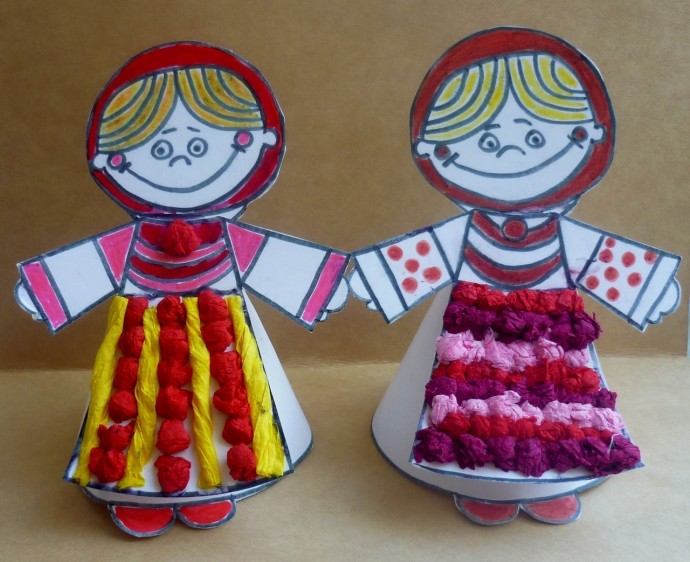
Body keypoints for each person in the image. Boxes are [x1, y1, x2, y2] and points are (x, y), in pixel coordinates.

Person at [15, 42, 348, 537]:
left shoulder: (226, 237)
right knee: (136, 406)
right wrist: (46, 290)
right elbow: (95, 261)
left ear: (257, 143)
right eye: (156, 149)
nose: (178, 161)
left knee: (225, 405)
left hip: (221, 336)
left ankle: (215, 485)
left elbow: (267, 257)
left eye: (200, 146)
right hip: (142, 340)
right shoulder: (133, 241)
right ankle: (137, 489)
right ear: (112, 161)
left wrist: (322, 284)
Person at [350, 28, 680, 525]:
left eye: (535, 137)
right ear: (435, 151)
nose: (510, 153)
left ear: (590, 136)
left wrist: (645, 287)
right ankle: (476, 478)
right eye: (485, 140)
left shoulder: (561, 235)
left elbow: (597, 256)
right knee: (470, 409)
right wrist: (381, 278)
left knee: (562, 407)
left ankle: (552, 477)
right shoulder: (467, 233)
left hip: (553, 343)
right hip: (473, 338)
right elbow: (429, 252)